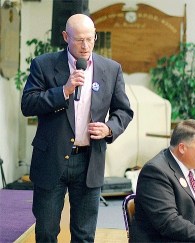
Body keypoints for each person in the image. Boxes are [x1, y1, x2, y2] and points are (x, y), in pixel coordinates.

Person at [21, 14, 133, 242]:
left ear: (95, 37)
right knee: (46, 232)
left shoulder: (111, 69)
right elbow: (28, 104)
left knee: (84, 235)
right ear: (65, 37)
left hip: (89, 160)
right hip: (51, 159)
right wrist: (64, 90)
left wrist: (109, 129)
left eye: (90, 39)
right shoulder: (44, 64)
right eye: (79, 39)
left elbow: (124, 111)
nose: (85, 46)